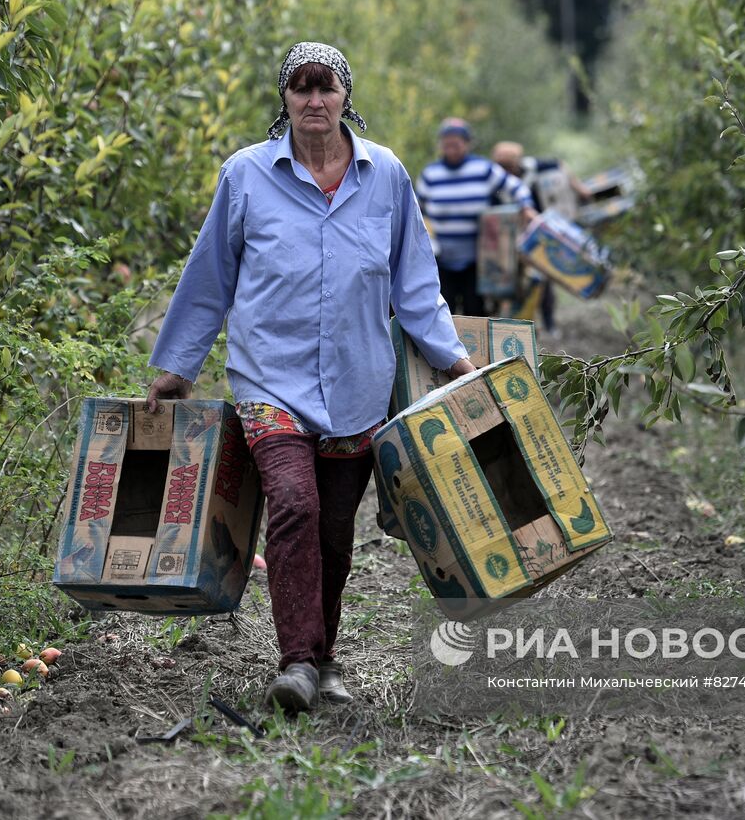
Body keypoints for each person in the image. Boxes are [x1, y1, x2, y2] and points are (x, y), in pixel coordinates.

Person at [144, 42, 475, 713]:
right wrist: (177, 366)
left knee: (333, 527)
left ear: (347, 96)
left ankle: (323, 656)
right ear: (285, 99)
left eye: (326, 88)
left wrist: (455, 358)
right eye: (301, 89)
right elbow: (210, 277)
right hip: (272, 380)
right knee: (294, 503)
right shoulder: (245, 176)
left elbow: (414, 282)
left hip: (358, 385)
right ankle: (296, 660)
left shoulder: (385, 176)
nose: (314, 101)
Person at [416, 119, 536, 316]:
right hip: (440, 259)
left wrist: (526, 207)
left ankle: (475, 347)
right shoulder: (431, 175)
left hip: (477, 260)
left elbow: (517, 187)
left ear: (467, 143)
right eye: (447, 143)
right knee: (444, 312)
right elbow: (415, 209)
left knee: (475, 310)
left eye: (457, 143)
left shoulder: (483, 169)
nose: (451, 148)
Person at [489, 141, 592, 337]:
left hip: (538, 232)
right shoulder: (493, 178)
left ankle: (548, 323)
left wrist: (578, 187)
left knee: (543, 280)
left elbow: (559, 164)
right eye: (501, 164)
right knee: (511, 283)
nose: (505, 169)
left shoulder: (532, 167)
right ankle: (514, 327)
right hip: (507, 236)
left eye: (508, 164)